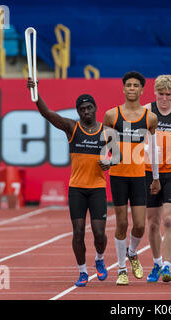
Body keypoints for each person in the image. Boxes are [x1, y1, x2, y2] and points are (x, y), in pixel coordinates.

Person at [26, 78, 120, 287]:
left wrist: (109, 163)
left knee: (98, 234)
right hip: (76, 189)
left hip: (97, 189)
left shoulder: (108, 132)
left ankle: (99, 258)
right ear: (78, 112)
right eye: (82, 109)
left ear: (95, 108)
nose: (86, 112)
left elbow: (118, 156)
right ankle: (82, 272)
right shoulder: (71, 127)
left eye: (89, 108)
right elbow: (47, 114)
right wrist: (36, 93)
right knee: (78, 232)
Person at [103, 71, 161, 285]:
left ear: (142, 90)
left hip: (139, 176)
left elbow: (153, 149)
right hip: (118, 176)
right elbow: (107, 146)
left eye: (136, 85)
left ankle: (132, 252)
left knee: (139, 226)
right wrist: (109, 159)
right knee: (121, 223)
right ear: (123, 88)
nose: (132, 88)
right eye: (128, 85)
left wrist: (155, 177)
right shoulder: (112, 115)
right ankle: (121, 269)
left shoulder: (150, 118)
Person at [142, 75, 171, 283]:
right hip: (149, 171)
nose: (164, 99)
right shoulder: (146, 111)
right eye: (161, 94)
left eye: (169, 95)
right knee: (152, 223)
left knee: (169, 219)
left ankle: (168, 265)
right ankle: (157, 262)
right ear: (155, 93)